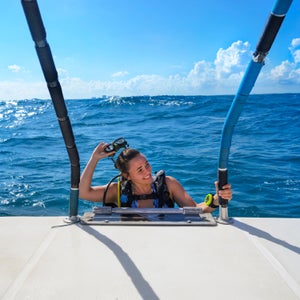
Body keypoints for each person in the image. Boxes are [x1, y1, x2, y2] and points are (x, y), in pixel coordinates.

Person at [79, 141, 232, 213]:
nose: (147, 172)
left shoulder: (168, 184)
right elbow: (83, 193)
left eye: (147, 165)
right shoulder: (116, 191)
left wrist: (216, 200)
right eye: (139, 170)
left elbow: (195, 210)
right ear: (127, 176)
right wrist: (94, 159)